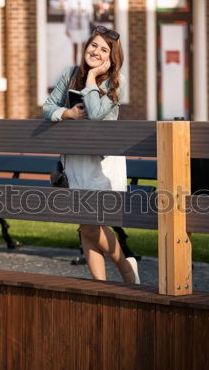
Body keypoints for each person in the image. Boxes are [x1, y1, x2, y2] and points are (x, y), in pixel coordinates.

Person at [43, 26, 140, 285]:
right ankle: (103, 284)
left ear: (112, 56)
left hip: (103, 164)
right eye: (93, 45)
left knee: (88, 224)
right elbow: (48, 107)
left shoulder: (116, 82)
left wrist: (92, 79)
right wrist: (68, 114)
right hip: (75, 160)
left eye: (104, 49)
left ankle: (125, 267)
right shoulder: (69, 73)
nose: (95, 52)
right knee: (86, 226)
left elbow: (96, 114)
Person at [65, 0, 93, 65]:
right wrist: (67, 28)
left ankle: (83, 67)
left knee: (84, 49)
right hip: (74, 27)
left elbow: (90, 12)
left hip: (84, 26)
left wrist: (91, 24)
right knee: (75, 49)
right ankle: (74, 67)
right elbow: (68, 14)